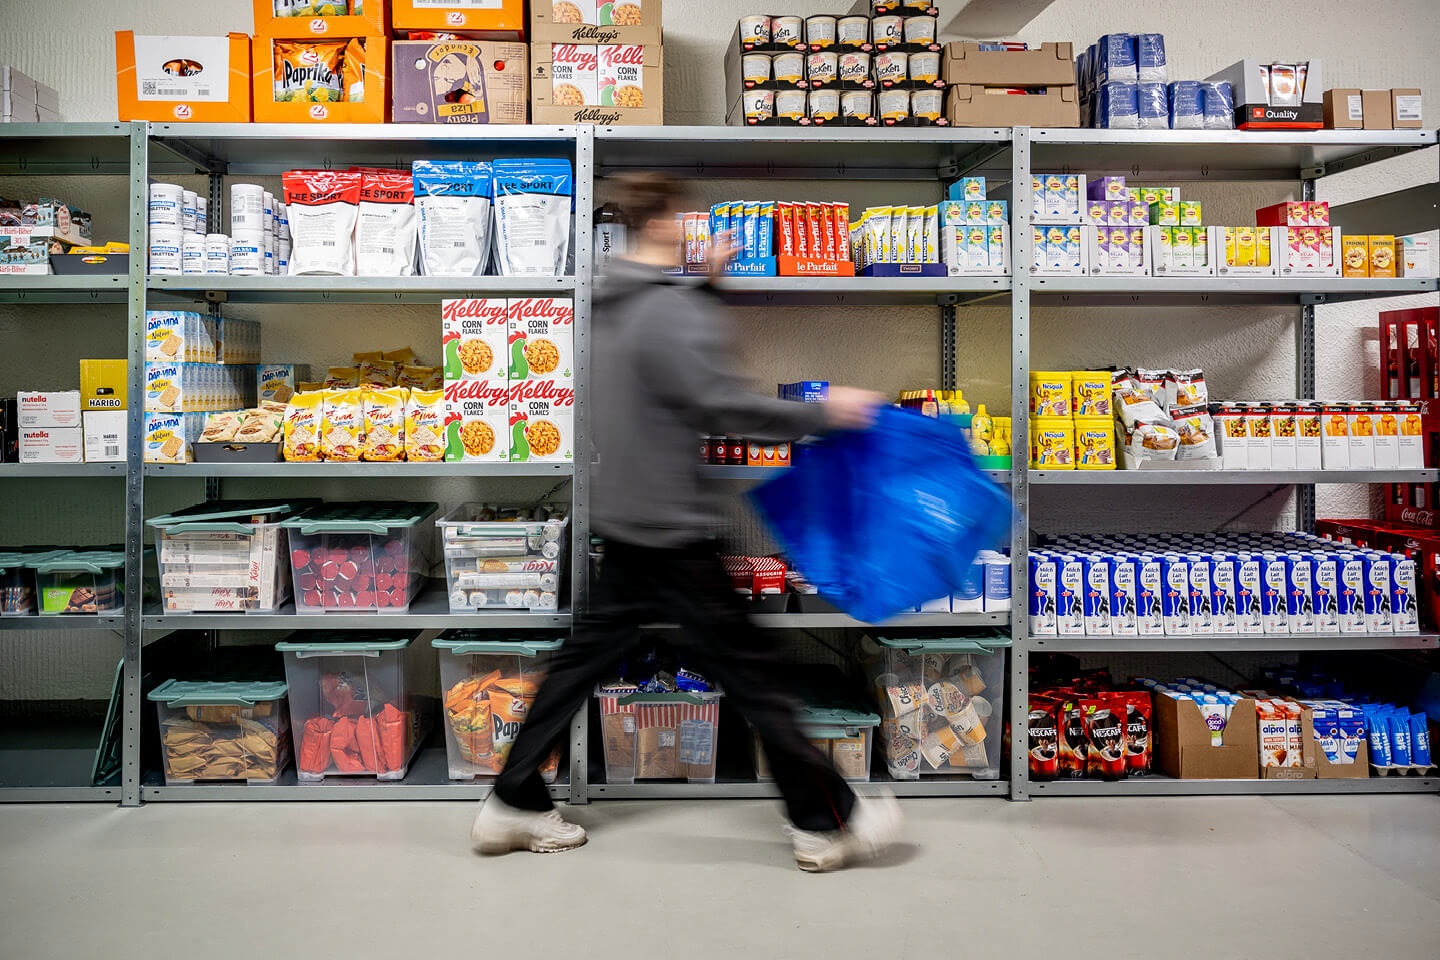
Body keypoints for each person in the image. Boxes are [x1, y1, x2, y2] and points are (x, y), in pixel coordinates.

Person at [470, 173, 903, 872]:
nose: (691, 231)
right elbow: (720, 405)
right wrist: (827, 413)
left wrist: (703, 289)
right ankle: (827, 823)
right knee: (755, 674)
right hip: (672, 529)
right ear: (664, 223)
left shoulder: (612, 302)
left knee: (577, 666)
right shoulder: (666, 310)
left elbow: (666, 371)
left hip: (627, 521)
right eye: (683, 219)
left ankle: (511, 799)